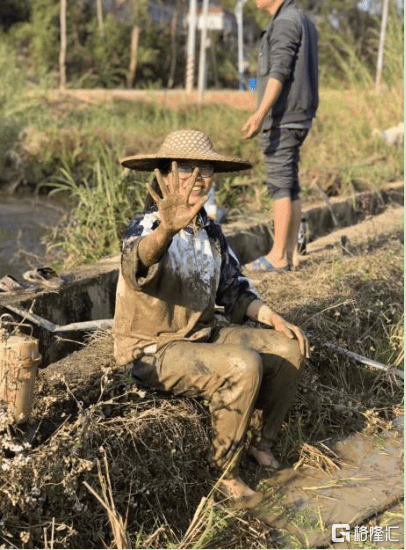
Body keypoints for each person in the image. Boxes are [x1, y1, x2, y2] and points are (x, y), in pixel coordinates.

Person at [114, 129, 310, 499]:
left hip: (201, 336)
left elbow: (234, 288)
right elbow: (134, 266)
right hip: (152, 350)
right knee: (242, 364)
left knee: (288, 348)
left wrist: (271, 316)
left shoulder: (211, 232)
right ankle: (223, 471)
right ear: (165, 176)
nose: (197, 177)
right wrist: (165, 231)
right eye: (185, 168)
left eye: (205, 169)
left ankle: (260, 443)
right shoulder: (146, 225)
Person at [241, 0, 318, 272]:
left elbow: (279, 72)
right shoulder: (300, 19)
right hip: (298, 115)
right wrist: (250, 86)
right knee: (290, 184)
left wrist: (260, 114)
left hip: (283, 117)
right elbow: (271, 75)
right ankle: (291, 254)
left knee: (280, 185)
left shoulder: (285, 22)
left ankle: (277, 256)